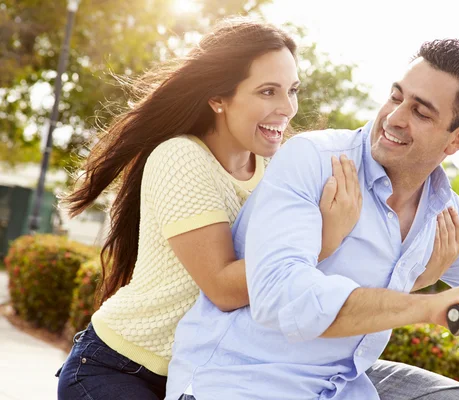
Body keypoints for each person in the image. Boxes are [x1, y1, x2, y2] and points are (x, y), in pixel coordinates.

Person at [166, 39, 459, 400]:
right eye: (396, 96)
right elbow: (281, 294)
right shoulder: (314, 162)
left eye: (421, 111)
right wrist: (430, 306)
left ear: (458, 139)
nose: (394, 117)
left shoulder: (441, 212)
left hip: (342, 388)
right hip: (239, 382)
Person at [56, 18, 369, 400]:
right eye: (268, 91)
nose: (288, 108)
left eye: (292, 90)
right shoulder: (181, 158)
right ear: (218, 98)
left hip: (203, 377)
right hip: (119, 369)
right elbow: (222, 287)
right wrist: (324, 239)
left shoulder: (276, 167)